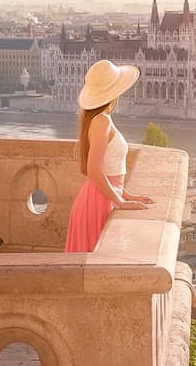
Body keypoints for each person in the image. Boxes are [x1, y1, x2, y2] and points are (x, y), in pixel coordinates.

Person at [65, 59, 153, 253]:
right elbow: (94, 170)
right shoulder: (102, 121)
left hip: (101, 197)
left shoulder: (99, 119)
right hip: (98, 202)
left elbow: (108, 168)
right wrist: (120, 201)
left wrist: (126, 194)